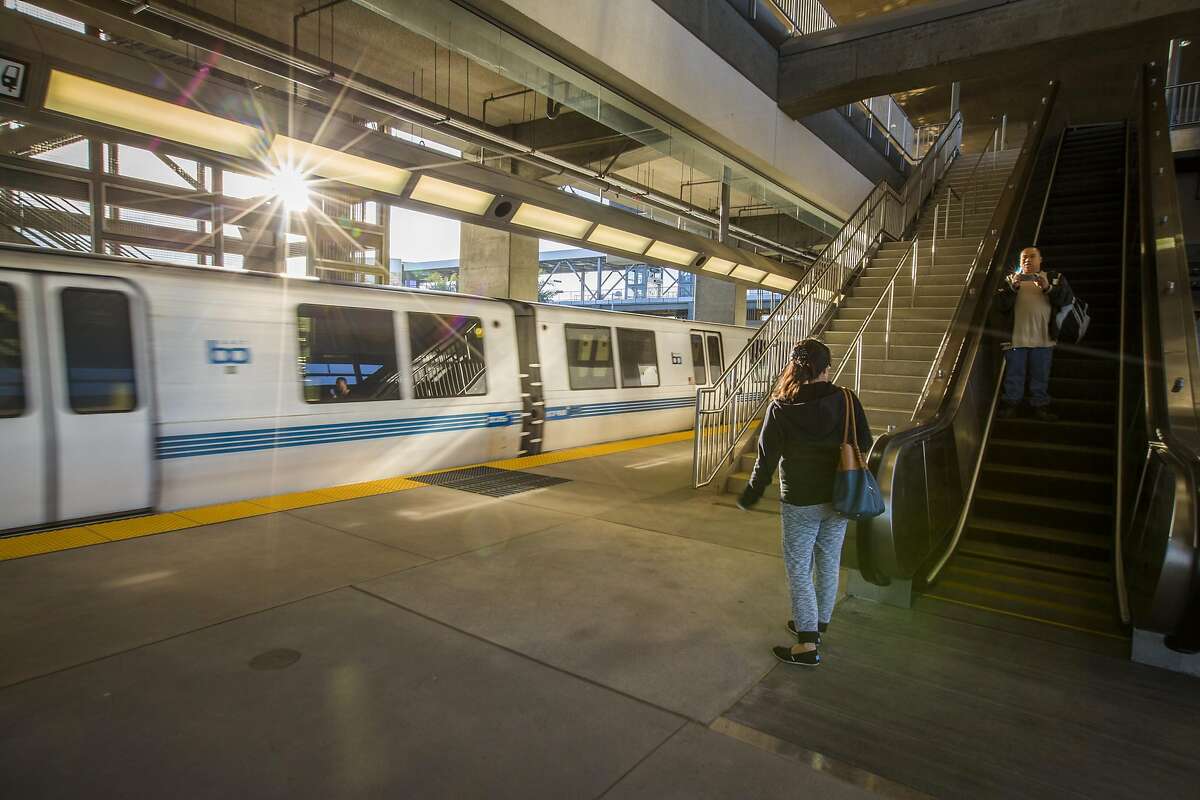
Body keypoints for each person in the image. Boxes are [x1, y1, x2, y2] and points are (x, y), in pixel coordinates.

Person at [736, 338, 872, 667]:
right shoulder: (846, 399)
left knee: (799, 569)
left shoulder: (781, 407)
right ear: (826, 369)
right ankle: (817, 624)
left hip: (799, 501)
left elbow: (766, 460)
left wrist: (752, 493)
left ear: (795, 368)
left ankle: (807, 644)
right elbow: (864, 441)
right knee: (828, 563)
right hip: (839, 496)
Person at [993, 246, 1072, 421]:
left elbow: (1066, 299)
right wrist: (1012, 288)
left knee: (1040, 375)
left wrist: (1048, 288)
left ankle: (1040, 406)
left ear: (1040, 259)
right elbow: (998, 305)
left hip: (1044, 340)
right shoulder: (1009, 280)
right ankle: (1011, 405)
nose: (1027, 260)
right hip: (1015, 340)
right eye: (1024, 258)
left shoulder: (1053, 278)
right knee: (1014, 375)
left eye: (1032, 256)